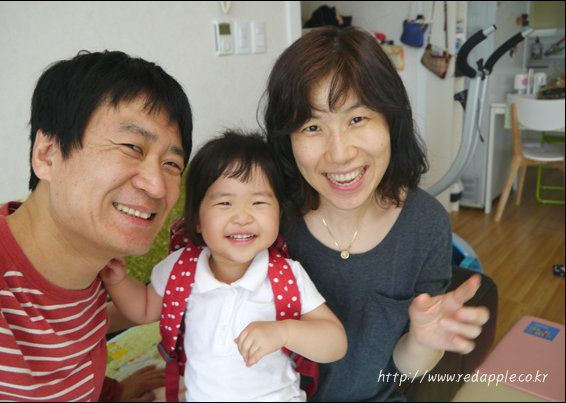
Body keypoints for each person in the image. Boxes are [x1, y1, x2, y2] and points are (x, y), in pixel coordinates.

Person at [263, 26, 490, 401]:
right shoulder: (268, 218)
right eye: (312, 126)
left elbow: (406, 366)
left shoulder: (426, 224)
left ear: (390, 120)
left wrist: (422, 340)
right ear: (287, 139)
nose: (340, 154)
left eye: (357, 119)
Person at [0, 50, 193, 401]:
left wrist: (111, 392)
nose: (158, 187)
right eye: (132, 147)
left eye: (172, 164)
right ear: (47, 154)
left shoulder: (95, 273)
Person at [99, 130, 348, 401]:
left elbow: (335, 343)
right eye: (225, 202)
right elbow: (145, 308)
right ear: (196, 219)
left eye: (258, 202)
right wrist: (118, 282)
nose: (242, 216)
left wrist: (284, 332)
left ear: (279, 213)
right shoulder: (181, 269)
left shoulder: (286, 276)